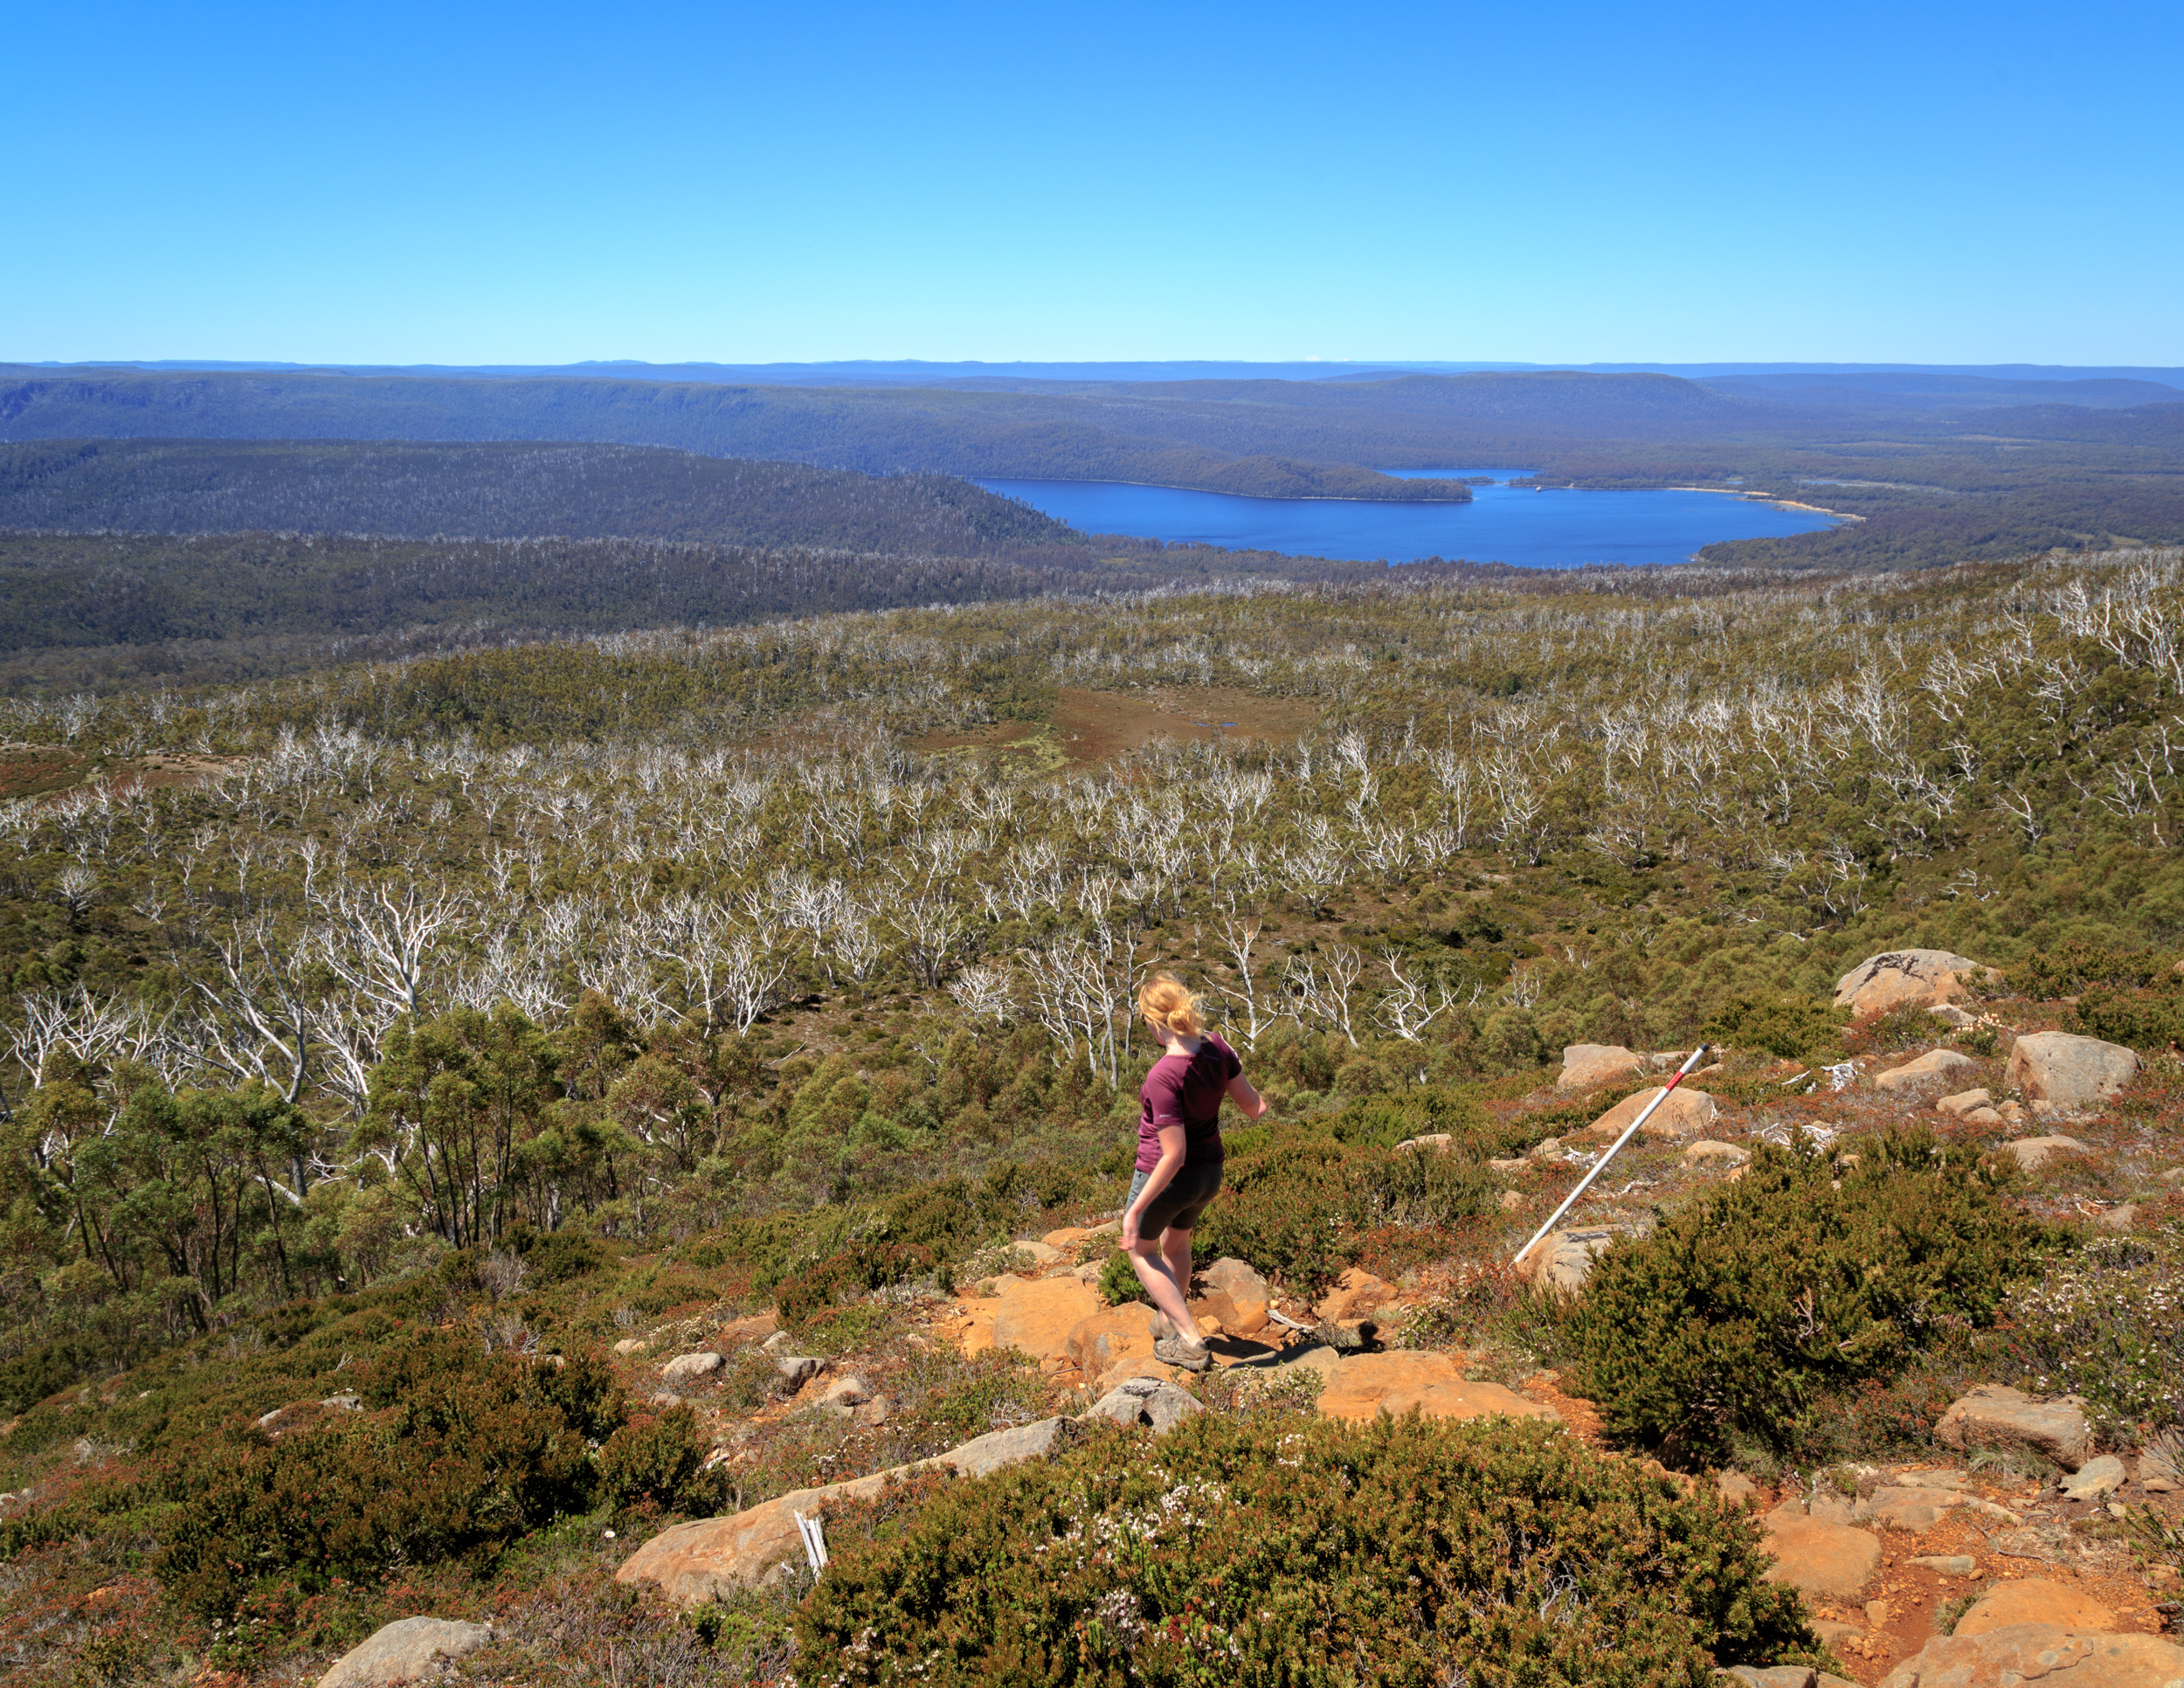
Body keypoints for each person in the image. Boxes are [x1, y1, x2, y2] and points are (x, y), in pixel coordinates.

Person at [1121, 974, 1266, 1372]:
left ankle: (1189, 1340)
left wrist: (1133, 1212)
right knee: (1176, 1246)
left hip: (1169, 1177)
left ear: (1153, 1021)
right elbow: (1255, 1107)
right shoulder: (1218, 1045)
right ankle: (1168, 1321)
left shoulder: (1163, 1075)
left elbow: (1173, 1154)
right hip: (1209, 1175)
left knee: (1141, 1250)